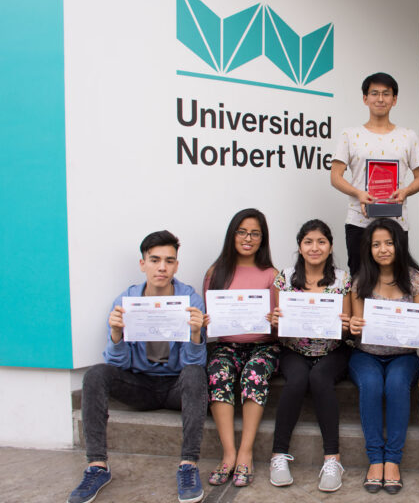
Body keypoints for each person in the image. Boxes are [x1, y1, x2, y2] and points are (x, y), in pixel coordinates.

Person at [68, 231, 208, 503]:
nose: (162, 267)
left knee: (195, 373)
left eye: (169, 260)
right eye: (155, 260)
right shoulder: (125, 301)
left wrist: (195, 335)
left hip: (176, 386)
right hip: (140, 385)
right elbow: (118, 364)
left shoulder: (191, 300)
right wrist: (117, 336)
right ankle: (97, 466)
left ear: (177, 265)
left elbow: (195, 363)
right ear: (143, 264)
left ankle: (188, 465)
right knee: (96, 374)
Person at [268, 219, 352, 492]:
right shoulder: (285, 276)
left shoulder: (343, 278)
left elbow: (348, 325)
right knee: (296, 380)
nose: (314, 247)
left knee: (319, 378)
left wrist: (346, 323)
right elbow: (275, 325)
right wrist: (274, 320)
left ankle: (332, 459)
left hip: (332, 350)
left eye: (321, 242)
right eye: (308, 242)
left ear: (330, 247)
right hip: (295, 349)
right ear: (300, 246)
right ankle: (278, 455)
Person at [348, 218, 419, 495]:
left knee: (396, 385)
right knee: (371, 385)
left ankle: (393, 459)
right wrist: (353, 325)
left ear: (399, 245)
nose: (383, 249)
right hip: (366, 355)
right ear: (368, 249)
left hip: (404, 357)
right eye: (376, 244)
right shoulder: (360, 281)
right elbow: (355, 327)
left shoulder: (416, 280)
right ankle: (375, 458)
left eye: (389, 243)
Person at [204, 209, 279, 487]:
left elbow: (278, 326)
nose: (248, 238)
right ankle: (228, 453)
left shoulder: (272, 274)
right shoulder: (216, 272)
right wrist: (208, 321)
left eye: (255, 233)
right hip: (226, 346)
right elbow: (210, 318)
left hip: (264, 347)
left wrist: (275, 322)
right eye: (242, 232)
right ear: (232, 234)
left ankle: (246, 452)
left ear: (263, 238)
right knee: (218, 372)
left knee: (253, 374)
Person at [331, 72, 419, 276]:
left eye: (386, 94)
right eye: (374, 93)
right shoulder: (350, 135)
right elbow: (335, 177)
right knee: (359, 275)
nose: (380, 99)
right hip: (359, 219)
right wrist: (358, 193)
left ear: (394, 99)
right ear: (365, 98)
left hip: (396, 221)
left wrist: (406, 191)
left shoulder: (408, 136)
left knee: (396, 275)